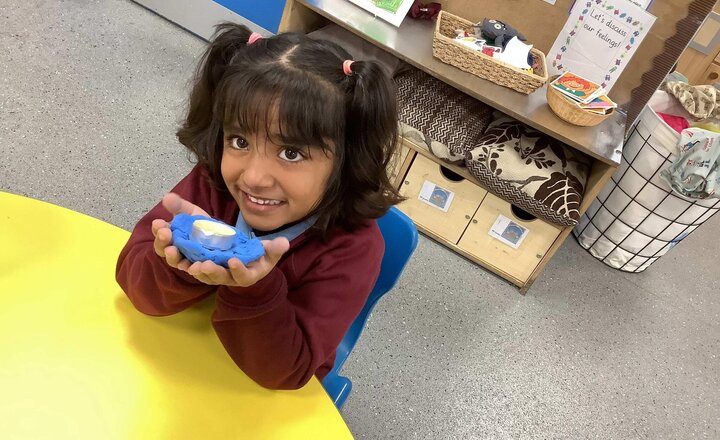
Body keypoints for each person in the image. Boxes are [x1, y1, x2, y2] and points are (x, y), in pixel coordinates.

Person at [116, 23, 402, 390]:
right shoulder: (213, 187)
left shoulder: (353, 248)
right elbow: (134, 286)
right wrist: (173, 264)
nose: (253, 177)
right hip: (173, 364)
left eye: (291, 152)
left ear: (345, 161)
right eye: (239, 140)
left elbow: (285, 372)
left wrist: (254, 288)